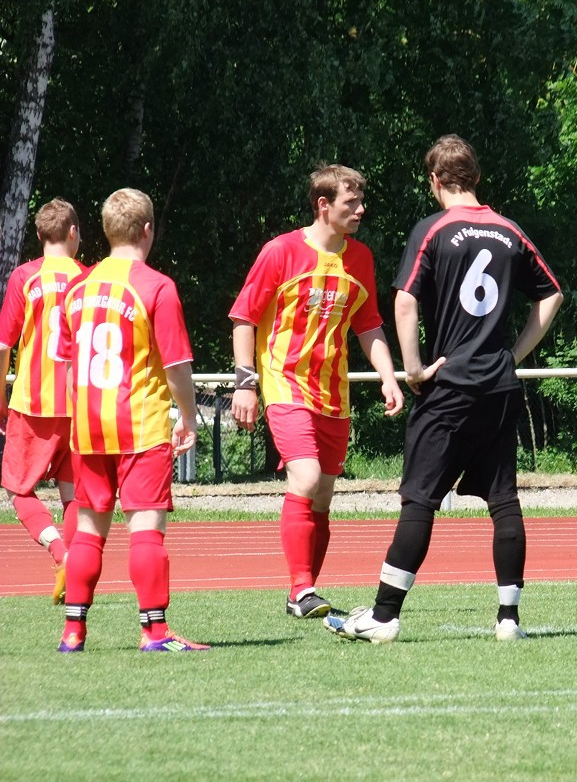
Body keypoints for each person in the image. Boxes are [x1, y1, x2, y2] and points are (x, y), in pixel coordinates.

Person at [326, 134, 563, 643]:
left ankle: (385, 616)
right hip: (498, 388)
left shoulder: (433, 230)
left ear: (436, 181)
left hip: (449, 385)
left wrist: (413, 369)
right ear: (475, 178)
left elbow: (405, 302)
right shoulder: (509, 231)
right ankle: (508, 621)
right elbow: (552, 294)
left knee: (420, 501)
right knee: (504, 501)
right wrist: (512, 356)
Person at [230, 164, 404, 619]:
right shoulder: (280, 251)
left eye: (362, 202)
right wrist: (246, 383)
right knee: (304, 480)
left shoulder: (360, 258)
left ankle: (302, 594)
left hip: (333, 394)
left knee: (323, 496)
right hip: (284, 384)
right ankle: (302, 588)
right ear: (323, 205)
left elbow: (368, 325)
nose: (360, 210)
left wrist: (388, 375)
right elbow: (244, 317)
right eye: (351, 203)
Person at [57, 188, 207, 652]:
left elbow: (65, 364)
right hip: (139, 424)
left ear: (104, 232)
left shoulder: (77, 288)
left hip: (88, 426)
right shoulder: (156, 286)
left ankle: (73, 632)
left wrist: (78, 418)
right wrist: (187, 417)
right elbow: (176, 367)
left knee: (88, 529)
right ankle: (155, 632)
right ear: (148, 230)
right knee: (146, 528)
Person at [0, 198, 86, 605]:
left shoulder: (25, 277)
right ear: (73, 233)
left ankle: (60, 553)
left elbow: (3, 345)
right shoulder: (89, 280)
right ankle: (74, 569)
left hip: (34, 403)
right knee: (72, 494)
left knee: (19, 490)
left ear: (39, 235)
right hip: (78, 404)